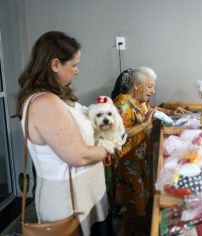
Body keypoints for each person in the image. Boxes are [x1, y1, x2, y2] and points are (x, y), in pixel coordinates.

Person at [15, 31, 113, 236]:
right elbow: (78, 155)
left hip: (85, 196)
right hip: (69, 204)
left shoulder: (56, 97)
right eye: (74, 64)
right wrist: (108, 148)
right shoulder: (45, 103)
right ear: (55, 64)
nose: (77, 71)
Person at [110, 67, 189, 235]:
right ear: (137, 85)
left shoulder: (141, 102)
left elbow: (153, 110)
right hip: (127, 164)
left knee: (144, 203)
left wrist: (171, 111)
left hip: (141, 162)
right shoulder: (122, 103)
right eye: (149, 87)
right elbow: (118, 133)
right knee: (135, 208)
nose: (153, 91)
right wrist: (145, 124)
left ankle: (138, 227)